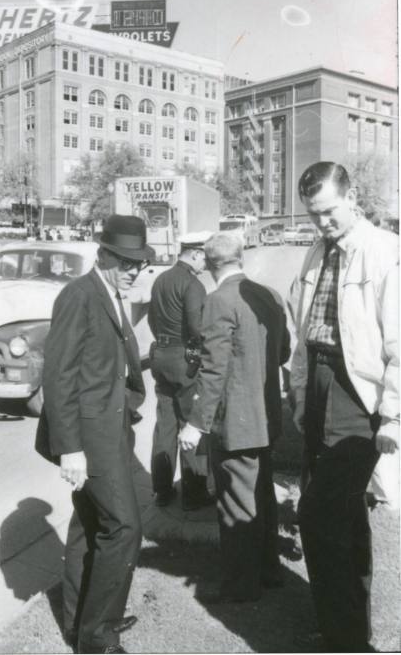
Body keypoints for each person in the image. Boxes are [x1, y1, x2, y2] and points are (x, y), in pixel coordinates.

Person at [288, 161, 398, 652]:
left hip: (357, 395)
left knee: (319, 514)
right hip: (318, 385)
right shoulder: (316, 250)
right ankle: (343, 630)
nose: (322, 223)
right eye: (314, 215)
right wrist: (299, 392)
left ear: (352, 198)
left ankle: (346, 636)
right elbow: (303, 330)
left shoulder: (384, 253)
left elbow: (398, 340)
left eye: (329, 212)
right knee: (343, 514)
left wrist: (393, 412)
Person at [36, 214, 154, 654]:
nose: (131, 270)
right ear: (101, 253)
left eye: (138, 263)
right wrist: (70, 449)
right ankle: (97, 638)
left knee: (90, 525)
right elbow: (58, 376)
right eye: (123, 261)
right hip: (90, 438)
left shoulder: (111, 293)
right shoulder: (79, 295)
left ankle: (81, 621)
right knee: (124, 527)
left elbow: (104, 365)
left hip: (112, 428)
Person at [178, 231, 290, 602]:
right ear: (241, 257)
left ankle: (241, 587)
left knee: (236, 502)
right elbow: (283, 352)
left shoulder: (219, 300)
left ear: (209, 264)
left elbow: (214, 370)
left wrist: (196, 423)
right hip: (266, 414)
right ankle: (269, 571)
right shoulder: (268, 296)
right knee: (262, 496)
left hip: (237, 421)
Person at [148, 231, 213, 510]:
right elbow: (198, 330)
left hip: (160, 354)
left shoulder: (161, 279)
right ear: (196, 253)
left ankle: (162, 490)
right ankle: (195, 494)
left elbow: (151, 318)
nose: (206, 265)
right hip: (184, 358)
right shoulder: (193, 285)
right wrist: (200, 355)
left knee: (165, 423)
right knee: (191, 422)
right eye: (205, 259)